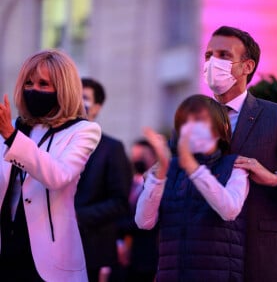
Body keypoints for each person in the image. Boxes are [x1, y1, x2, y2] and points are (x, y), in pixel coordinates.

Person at [204, 26, 277, 282]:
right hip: (203, 258)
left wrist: (276, 179)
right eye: (208, 55)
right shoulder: (191, 119)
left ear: (247, 66)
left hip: (260, 257)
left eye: (224, 55)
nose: (213, 63)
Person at [0, 50, 101, 281]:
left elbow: (58, 175)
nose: (33, 90)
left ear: (63, 89)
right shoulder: (14, 127)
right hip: (6, 245)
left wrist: (10, 136)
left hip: (49, 258)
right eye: (28, 83)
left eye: (43, 84)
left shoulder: (83, 131)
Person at [135, 94, 249, 282]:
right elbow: (143, 221)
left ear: (220, 129)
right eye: (185, 122)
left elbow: (229, 209)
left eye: (200, 121)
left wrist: (193, 168)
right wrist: (161, 171)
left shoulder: (235, 166)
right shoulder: (168, 168)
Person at [75, 78, 132, 282]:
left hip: (90, 246)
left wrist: (76, 215)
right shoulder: (55, 141)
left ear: (97, 107)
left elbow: (119, 202)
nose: (78, 102)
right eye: (74, 95)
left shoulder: (111, 148)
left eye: (85, 97)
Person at [116, 139, 159, 282]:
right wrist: (119, 241)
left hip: (148, 257)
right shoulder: (126, 183)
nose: (137, 160)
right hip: (124, 261)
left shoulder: (158, 185)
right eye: (134, 155)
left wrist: (119, 226)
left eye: (142, 156)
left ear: (153, 157)